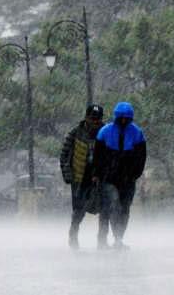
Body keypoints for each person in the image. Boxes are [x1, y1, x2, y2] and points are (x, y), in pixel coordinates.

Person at [93, 102, 147, 250]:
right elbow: (97, 156)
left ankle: (119, 238)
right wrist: (98, 173)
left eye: (126, 118)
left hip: (128, 179)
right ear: (116, 117)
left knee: (125, 208)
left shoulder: (137, 133)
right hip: (109, 178)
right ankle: (114, 237)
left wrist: (135, 174)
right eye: (121, 118)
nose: (123, 121)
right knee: (114, 204)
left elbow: (141, 157)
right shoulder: (105, 132)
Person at [60, 104, 105, 250]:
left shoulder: (106, 132)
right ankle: (73, 234)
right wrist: (68, 175)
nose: (95, 122)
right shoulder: (75, 133)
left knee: (105, 209)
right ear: (86, 117)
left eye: (98, 119)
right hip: (80, 178)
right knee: (79, 210)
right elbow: (65, 154)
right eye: (92, 119)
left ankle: (102, 240)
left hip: (101, 177)